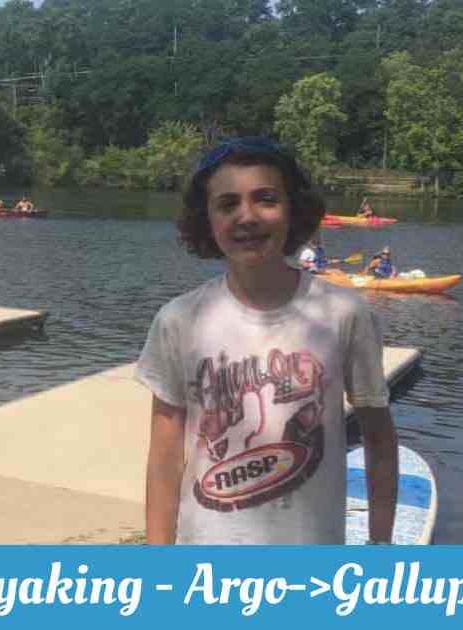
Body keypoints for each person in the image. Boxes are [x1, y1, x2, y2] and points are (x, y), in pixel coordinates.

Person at [136, 136, 398, 545]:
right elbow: (165, 458)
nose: (247, 216)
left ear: (293, 210)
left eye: (266, 199)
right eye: (228, 204)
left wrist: (380, 542)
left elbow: (378, 437)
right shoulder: (178, 321)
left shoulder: (345, 314)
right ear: (207, 220)